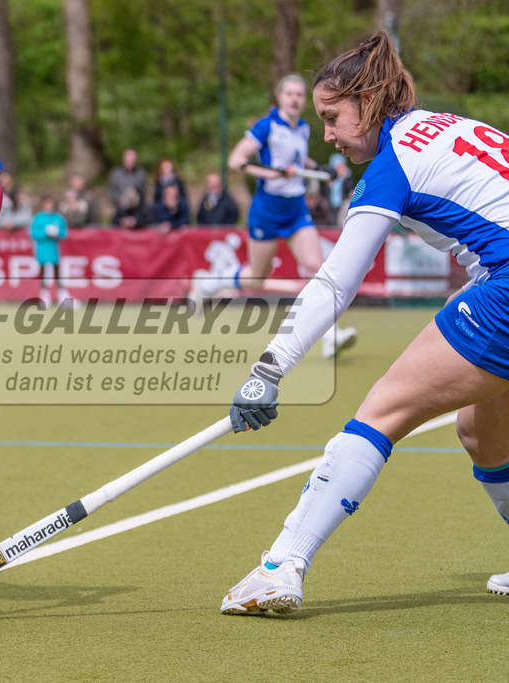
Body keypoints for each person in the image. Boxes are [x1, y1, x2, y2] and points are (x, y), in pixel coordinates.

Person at [221, 30, 509, 616]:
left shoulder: (393, 162)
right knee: (484, 432)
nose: (326, 133)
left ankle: (280, 566)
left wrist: (269, 368)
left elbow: (335, 283)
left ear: (369, 98)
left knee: (382, 411)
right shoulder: (452, 126)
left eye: (332, 116)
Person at [194, 73, 357, 359]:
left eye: (298, 95)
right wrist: (273, 172)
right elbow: (236, 161)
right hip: (267, 210)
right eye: (289, 94)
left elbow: (298, 159)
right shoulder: (266, 126)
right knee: (257, 277)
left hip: (295, 209)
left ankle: (331, 336)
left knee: (317, 268)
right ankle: (209, 283)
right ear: (280, 98)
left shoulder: (304, 129)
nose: (294, 99)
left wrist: (319, 167)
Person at [29, 195, 69, 307]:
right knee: (43, 272)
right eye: (47, 203)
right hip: (42, 249)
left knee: (57, 271)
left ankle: (61, 294)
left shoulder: (58, 218)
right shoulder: (38, 218)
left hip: (54, 249)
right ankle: (44, 295)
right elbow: (33, 234)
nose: (49, 206)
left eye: (50, 203)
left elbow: (64, 233)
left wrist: (57, 233)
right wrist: (45, 233)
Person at [151, 158, 189, 222]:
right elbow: (156, 199)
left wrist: (176, 202)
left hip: (177, 210)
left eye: (169, 166)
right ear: (161, 169)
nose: (167, 168)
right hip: (163, 210)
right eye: (165, 166)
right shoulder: (158, 182)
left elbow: (184, 196)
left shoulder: (178, 180)